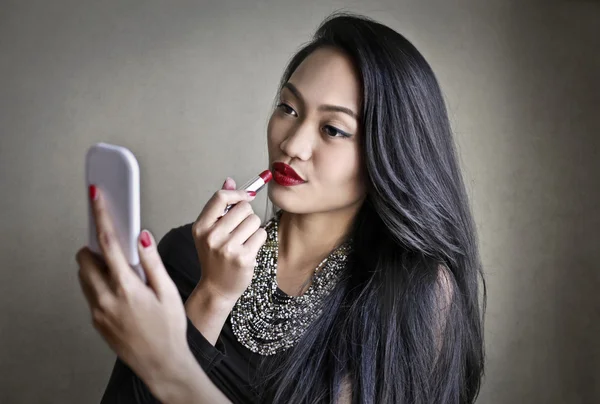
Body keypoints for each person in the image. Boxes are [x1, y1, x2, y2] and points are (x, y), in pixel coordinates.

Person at [76, 11, 486, 404]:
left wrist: (170, 368)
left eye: (332, 129)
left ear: (389, 151)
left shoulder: (412, 291)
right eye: (288, 108)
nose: (291, 144)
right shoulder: (186, 254)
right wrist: (213, 294)